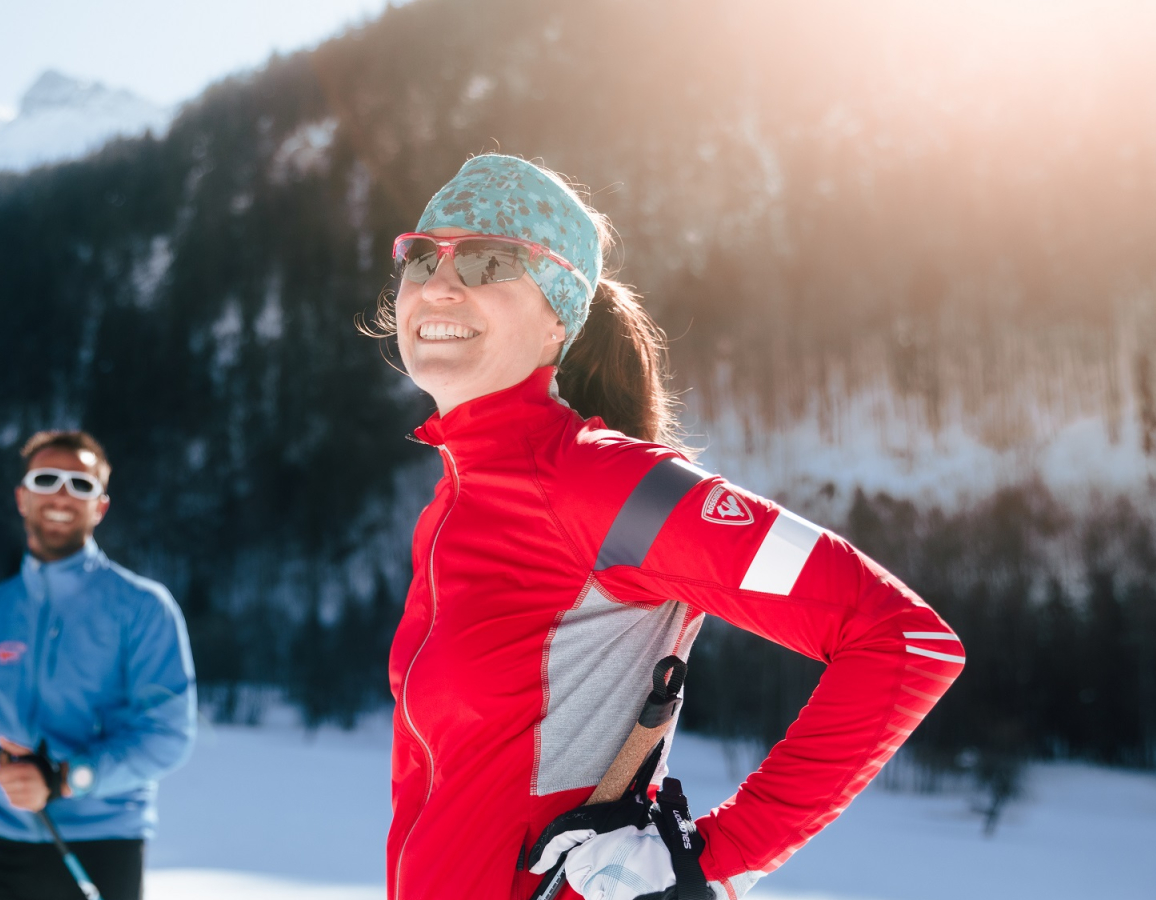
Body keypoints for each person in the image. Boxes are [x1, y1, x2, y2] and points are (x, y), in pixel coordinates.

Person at [369, 155, 964, 900]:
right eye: (423, 256)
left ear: (560, 316)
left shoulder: (604, 484)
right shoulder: (459, 500)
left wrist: (712, 859)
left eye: (492, 261)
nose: (441, 283)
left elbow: (904, 639)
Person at [0, 429, 196, 900]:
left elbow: (168, 737)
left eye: (80, 484)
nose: (62, 494)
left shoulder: (143, 608)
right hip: (6, 845)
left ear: (100, 506)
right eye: (46, 479)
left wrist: (65, 779)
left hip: (104, 846)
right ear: (23, 498)